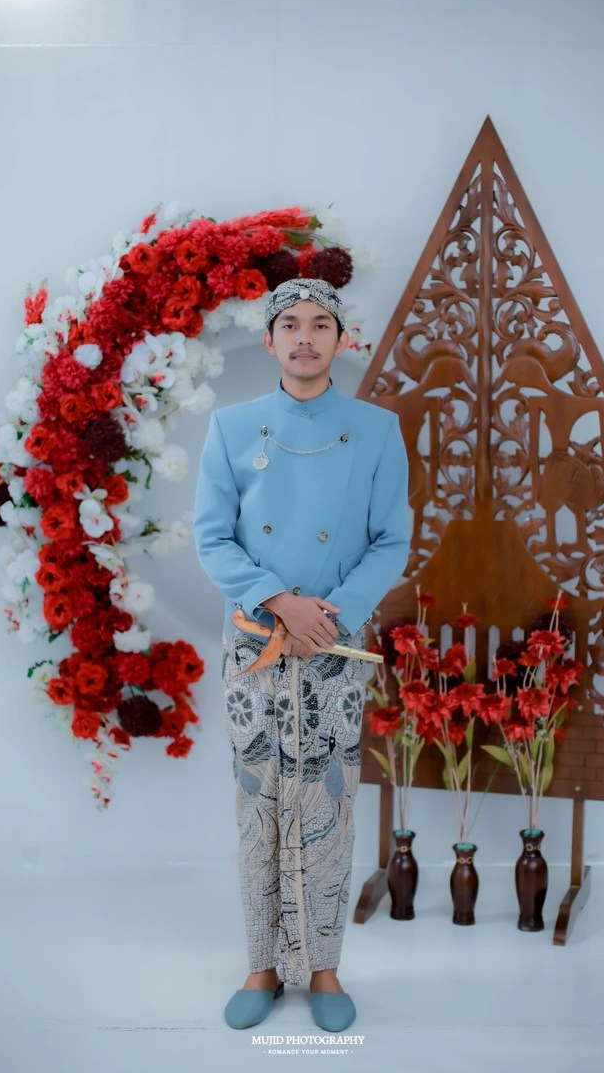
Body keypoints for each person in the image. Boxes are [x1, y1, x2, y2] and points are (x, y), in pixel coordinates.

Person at [192, 278, 410, 1031]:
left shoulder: (377, 429)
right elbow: (212, 537)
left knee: (329, 800)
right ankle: (260, 963)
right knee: (257, 800)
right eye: (290, 324)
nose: (306, 337)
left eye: (321, 324)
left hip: (335, 644)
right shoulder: (230, 427)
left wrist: (331, 614)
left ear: (341, 339)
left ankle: (324, 968)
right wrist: (279, 601)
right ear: (270, 339)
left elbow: (391, 540)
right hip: (256, 638)